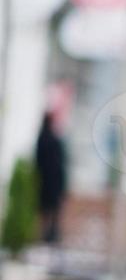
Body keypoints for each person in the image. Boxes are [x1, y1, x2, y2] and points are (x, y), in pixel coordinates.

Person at [35, 110, 68, 270]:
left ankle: (46, 243)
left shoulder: (41, 139)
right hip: (52, 186)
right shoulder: (53, 141)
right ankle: (49, 244)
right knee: (53, 217)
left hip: (44, 185)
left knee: (46, 216)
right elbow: (61, 166)